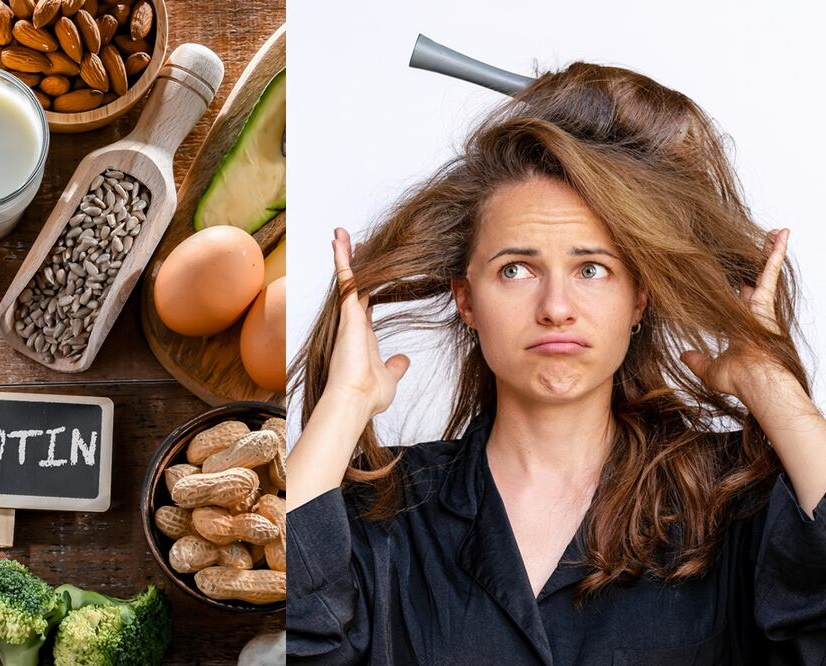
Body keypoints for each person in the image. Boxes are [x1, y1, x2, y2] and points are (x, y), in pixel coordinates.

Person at [285, 62, 826, 665]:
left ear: (638, 298)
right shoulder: (387, 512)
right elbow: (294, 635)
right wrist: (345, 402)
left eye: (592, 268)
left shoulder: (727, 497)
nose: (556, 308)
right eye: (516, 269)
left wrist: (771, 382)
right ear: (467, 297)